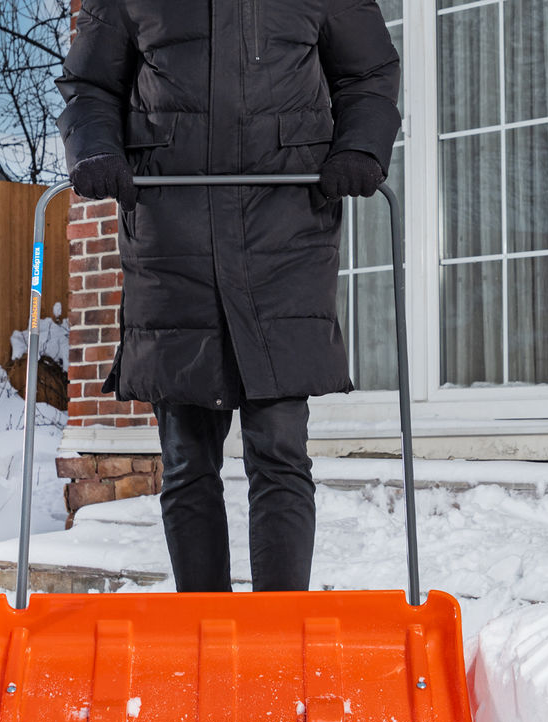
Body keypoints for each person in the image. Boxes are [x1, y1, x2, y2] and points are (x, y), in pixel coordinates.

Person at [56, 0, 400, 592]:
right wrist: (95, 148)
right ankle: (204, 625)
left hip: (285, 231)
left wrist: (360, 146)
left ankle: (279, 629)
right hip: (172, 235)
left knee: (280, 450)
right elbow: (89, 83)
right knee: (187, 458)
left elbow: (368, 72)